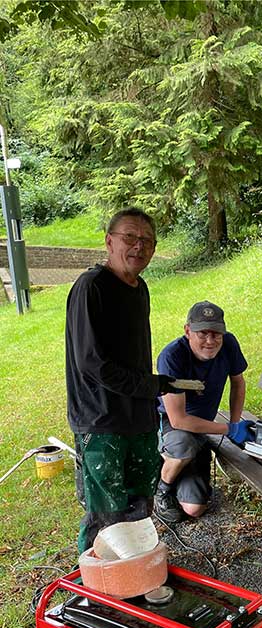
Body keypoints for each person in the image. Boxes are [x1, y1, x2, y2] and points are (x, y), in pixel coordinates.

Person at [65, 207, 195, 554]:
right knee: (106, 514)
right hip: (101, 419)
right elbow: (93, 363)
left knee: (140, 507)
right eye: (130, 238)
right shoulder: (91, 287)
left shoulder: (140, 288)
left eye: (147, 241)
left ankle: (132, 578)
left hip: (138, 417)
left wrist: (154, 389)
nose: (139, 246)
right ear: (109, 242)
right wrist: (151, 386)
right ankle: (96, 591)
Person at [153, 302, 252, 522]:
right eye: (202, 333)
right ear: (188, 331)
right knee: (183, 444)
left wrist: (235, 423)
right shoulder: (172, 357)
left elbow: (238, 382)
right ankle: (163, 489)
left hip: (200, 426)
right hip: (171, 423)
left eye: (216, 333)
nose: (210, 340)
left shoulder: (229, 345)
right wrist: (229, 428)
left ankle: (182, 460)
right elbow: (178, 420)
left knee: (194, 508)